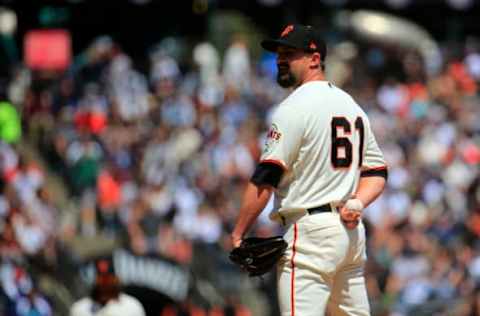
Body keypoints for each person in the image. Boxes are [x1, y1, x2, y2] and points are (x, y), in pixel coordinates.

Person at [231, 24, 388, 316]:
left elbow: (265, 180)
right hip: (348, 235)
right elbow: (377, 173)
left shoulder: (293, 108)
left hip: (310, 234)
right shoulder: (351, 106)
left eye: (289, 54)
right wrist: (358, 201)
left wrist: (238, 233)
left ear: (314, 58)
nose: (280, 60)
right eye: (278, 54)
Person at [69, 258, 146, 316]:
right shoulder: (80, 308)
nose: (105, 284)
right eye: (101, 280)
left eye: (109, 279)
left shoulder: (132, 306)